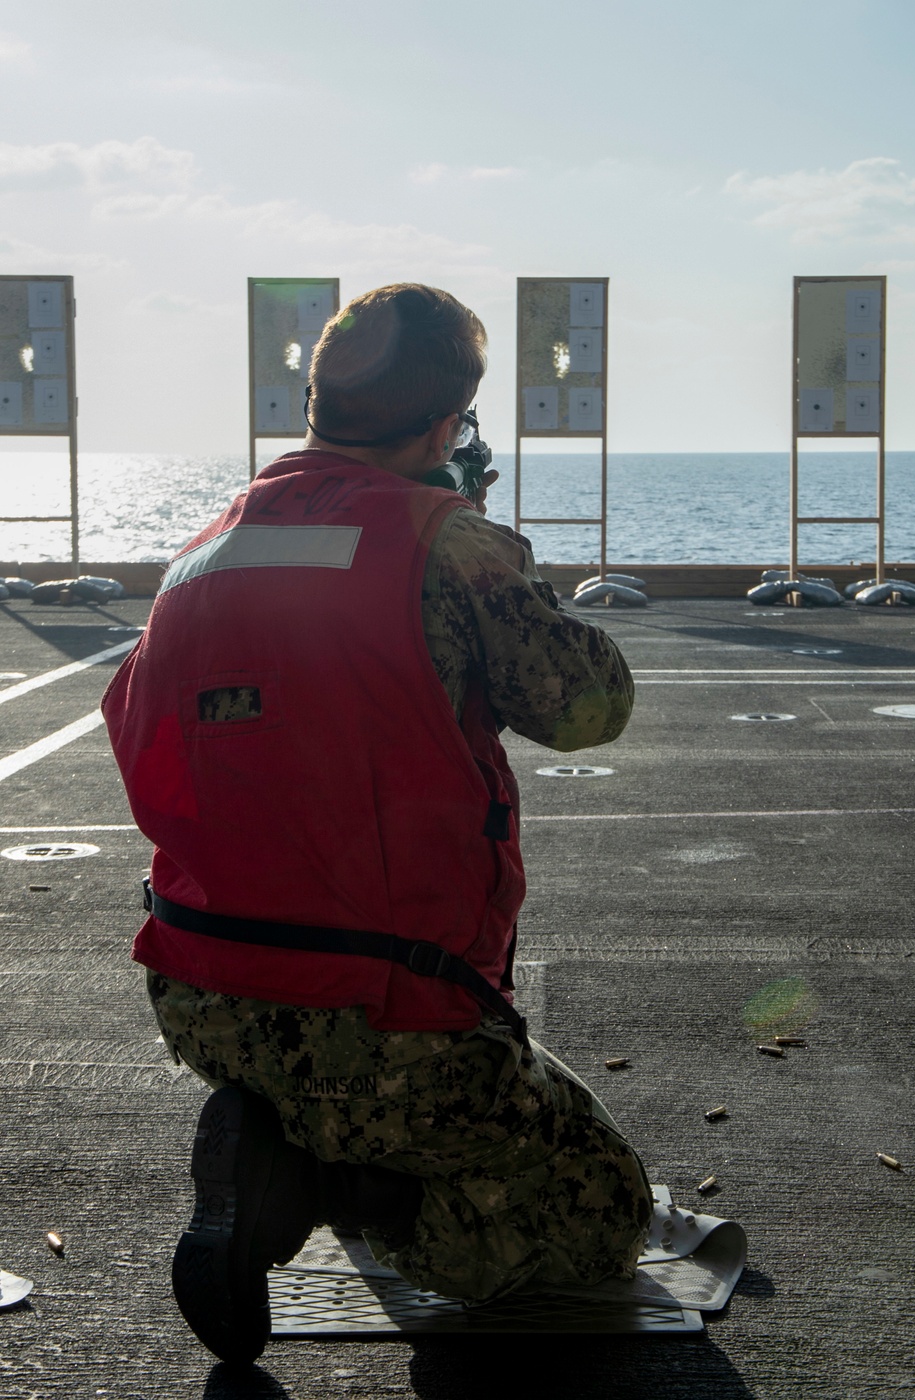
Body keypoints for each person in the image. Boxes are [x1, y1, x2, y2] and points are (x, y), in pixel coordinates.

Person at [102, 283, 653, 1365]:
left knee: (481, 1101)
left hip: (207, 998)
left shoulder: (201, 552)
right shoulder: (443, 541)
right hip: (383, 1013)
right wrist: (482, 534)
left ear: (317, 400)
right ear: (448, 423)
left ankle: (291, 1131)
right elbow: (591, 706)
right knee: (600, 1218)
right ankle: (317, 1177)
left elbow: (134, 722)